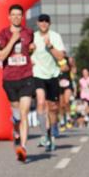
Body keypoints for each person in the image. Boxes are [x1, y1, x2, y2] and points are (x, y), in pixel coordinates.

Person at [0, 4, 35, 162]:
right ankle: (16, 130)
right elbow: (1, 56)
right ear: (9, 17)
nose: (17, 17)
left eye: (19, 15)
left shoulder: (29, 33)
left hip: (26, 76)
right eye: (14, 15)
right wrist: (13, 40)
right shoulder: (3, 34)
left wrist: (32, 49)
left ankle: (23, 147)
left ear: (22, 17)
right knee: (17, 114)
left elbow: (30, 50)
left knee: (24, 112)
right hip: (9, 79)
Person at [31, 13, 65, 151]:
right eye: (41, 21)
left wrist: (50, 46)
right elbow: (25, 54)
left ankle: (52, 130)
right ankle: (44, 134)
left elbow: (61, 56)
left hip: (53, 74)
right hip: (37, 74)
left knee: (53, 107)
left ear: (49, 24)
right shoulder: (32, 37)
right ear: (37, 24)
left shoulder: (55, 36)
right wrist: (29, 52)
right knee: (40, 101)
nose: (44, 23)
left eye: (46, 21)